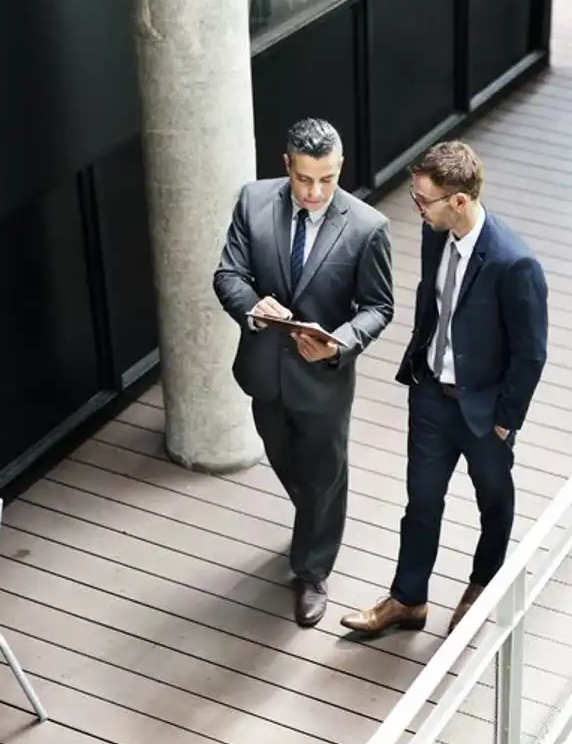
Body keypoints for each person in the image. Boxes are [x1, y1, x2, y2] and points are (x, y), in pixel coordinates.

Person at [340, 140, 548, 637]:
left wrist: (505, 419)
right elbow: (433, 305)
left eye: (422, 200)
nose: (416, 208)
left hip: (484, 410)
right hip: (432, 395)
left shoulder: (513, 263)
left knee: (493, 501)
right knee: (421, 504)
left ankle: (482, 585)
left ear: (458, 200)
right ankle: (408, 600)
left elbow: (531, 352)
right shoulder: (436, 234)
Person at [213, 117, 394, 627]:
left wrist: (339, 345)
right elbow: (228, 273)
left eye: (328, 179)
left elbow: (378, 307)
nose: (316, 192)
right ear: (286, 165)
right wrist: (252, 306)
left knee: (323, 474)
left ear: (340, 168)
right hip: (264, 372)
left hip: (324, 381)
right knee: (287, 460)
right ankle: (316, 517)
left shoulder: (366, 227)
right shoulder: (252, 201)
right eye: (305, 178)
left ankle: (313, 569)